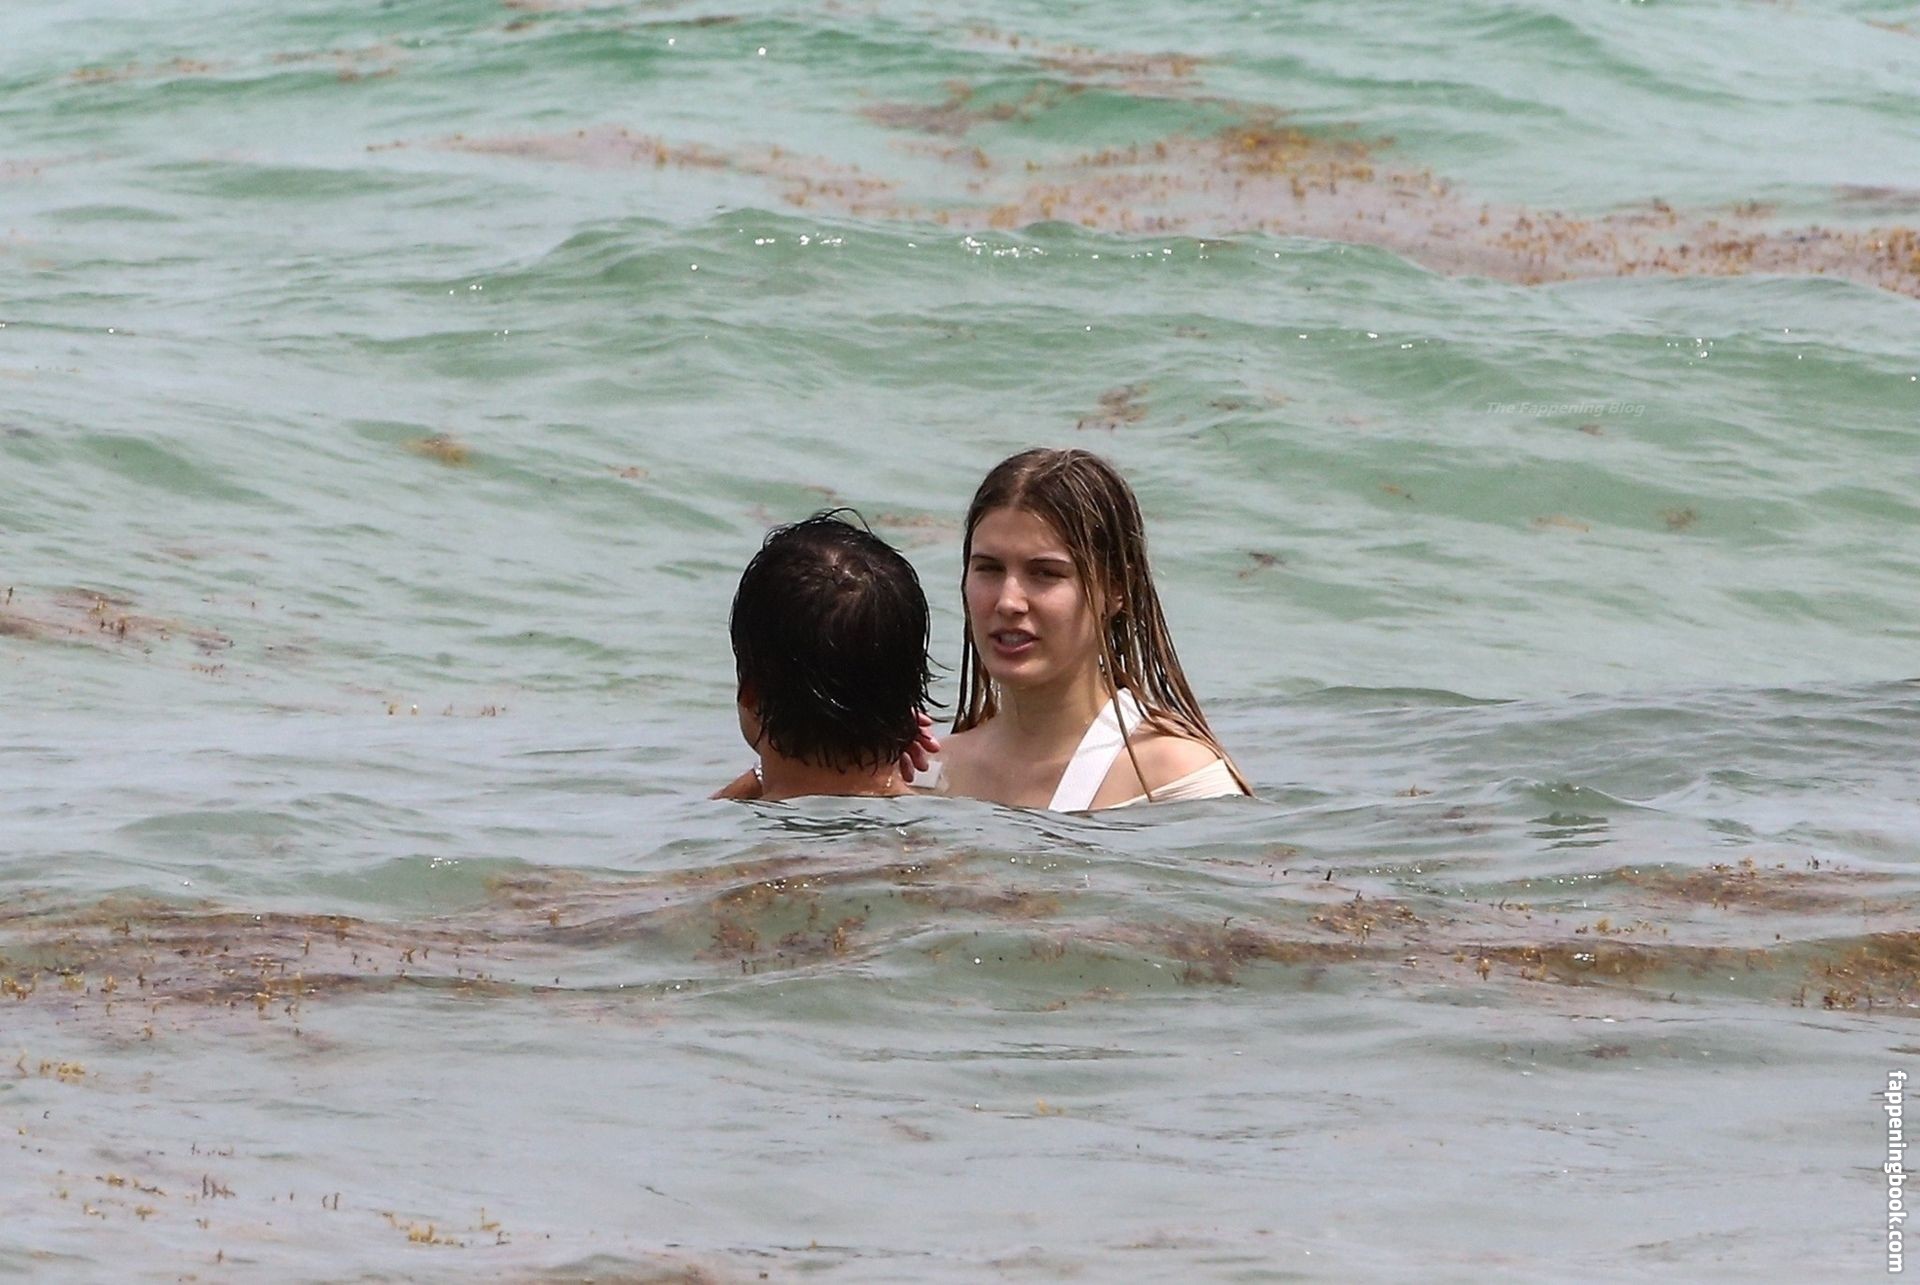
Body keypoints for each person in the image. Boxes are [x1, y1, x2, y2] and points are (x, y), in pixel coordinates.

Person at [926, 448, 1250, 810]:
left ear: (1115, 589)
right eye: (989, 569)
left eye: (1045, 573)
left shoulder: (1177, 781)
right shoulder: (928, 775)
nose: (1008, 602)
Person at [714, 511, 936, 802]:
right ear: (907, 705)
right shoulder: (949, 824)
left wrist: (757, 778)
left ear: (751, 694)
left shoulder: (723, 830)